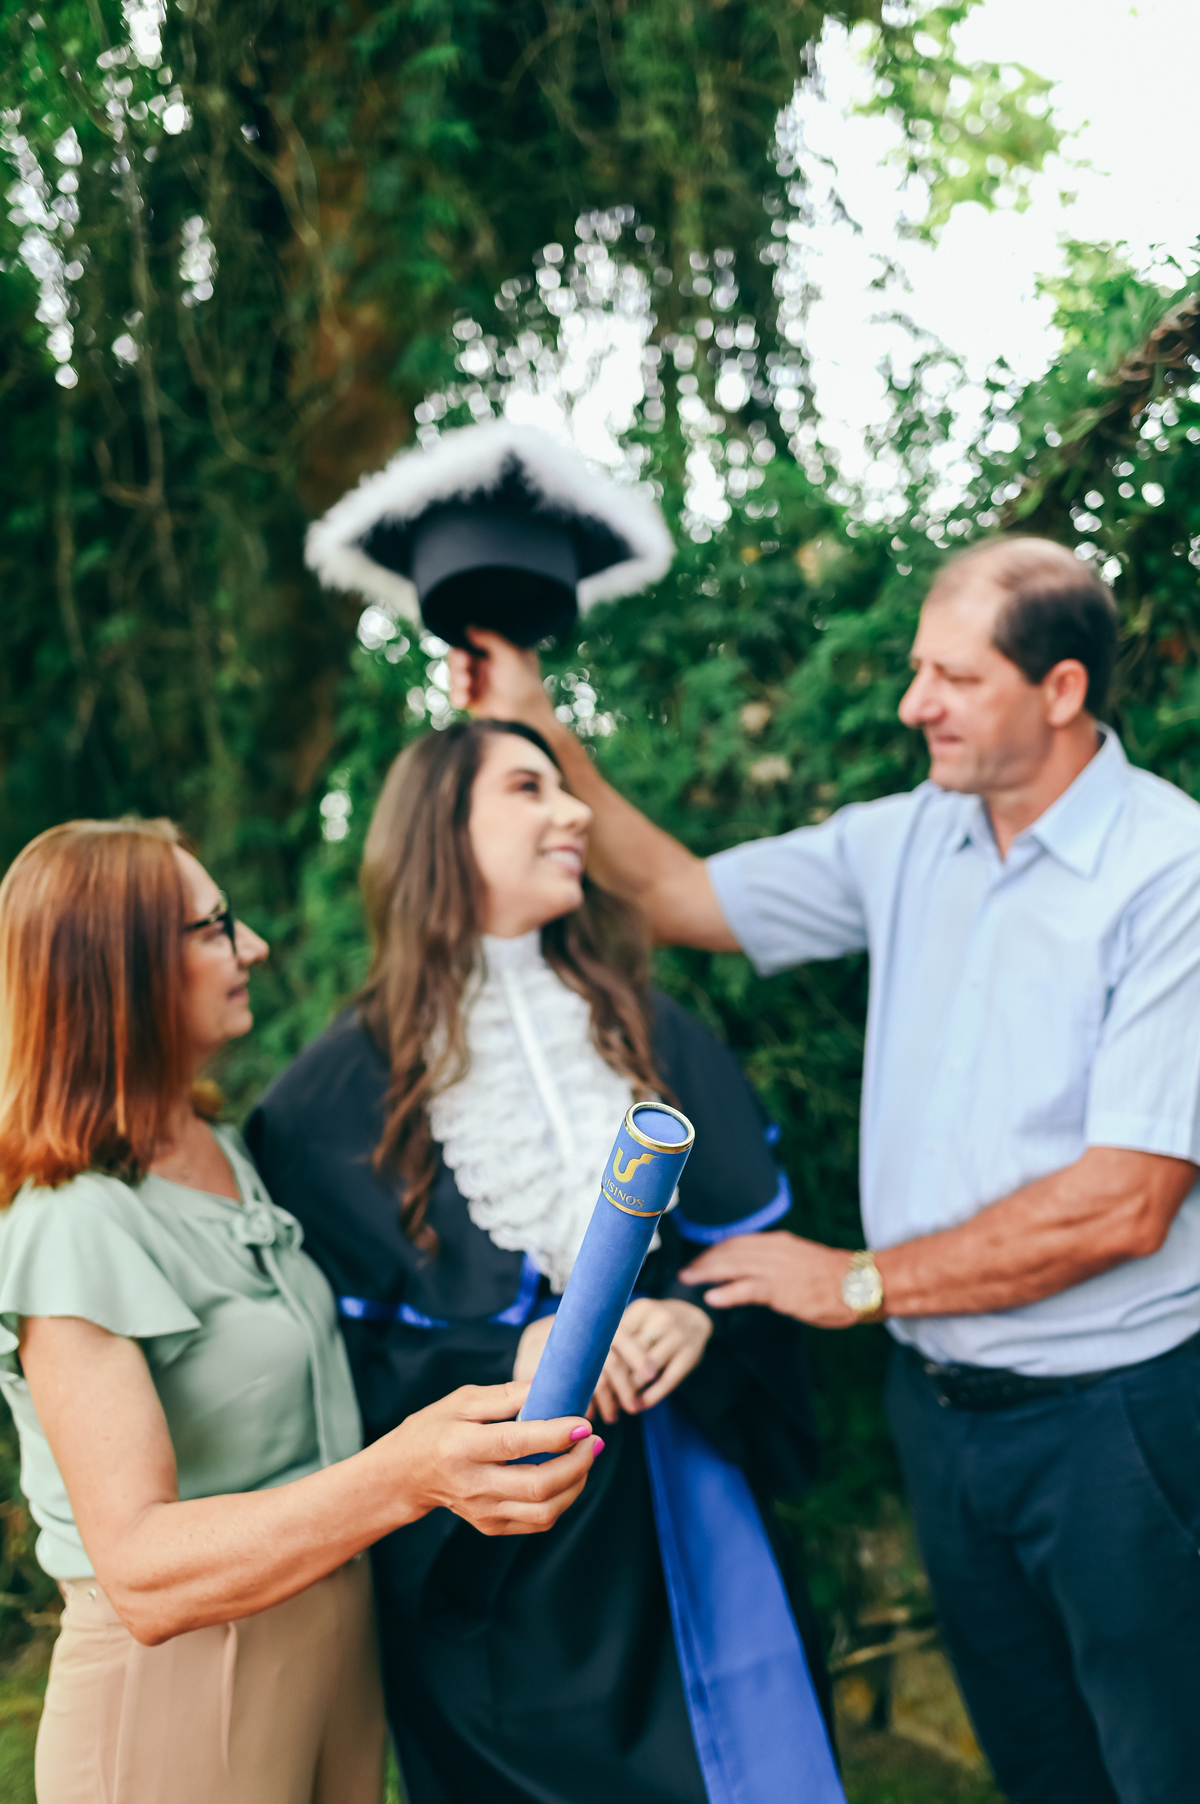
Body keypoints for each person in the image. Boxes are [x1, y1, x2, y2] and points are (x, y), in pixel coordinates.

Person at [447, 537, 1200, 1804]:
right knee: (1046, 1769)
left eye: (952, 678)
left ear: (1061, 691)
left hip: (1119, 1425)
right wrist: (535, 724)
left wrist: (858, 1281)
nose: (915, 705)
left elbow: (1129, 1200)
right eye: (915, 669)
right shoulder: (909, 839)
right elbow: (680, 891)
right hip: (945, 1418)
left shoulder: (1172, 871)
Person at [246, 720, 842, 1804]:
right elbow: (340, 1367)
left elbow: (750, 1259)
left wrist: (699, 1321)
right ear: (440, 829)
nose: (573, 813)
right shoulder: (324, 1099)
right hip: (504, 1554)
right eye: (531, 789)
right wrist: (499, 1350)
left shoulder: (650, 1027)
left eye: (568, 790)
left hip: (687, 1504)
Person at [0, 818, 600, 1804]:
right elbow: (142, 1572)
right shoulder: (71, 1221)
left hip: (329, 1651)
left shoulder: (222, 1150)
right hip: (181, 1688)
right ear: (119, 969)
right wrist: (407, 1473)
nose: (254, 949)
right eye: (213, 928)